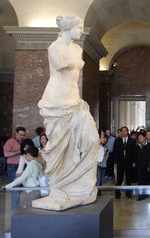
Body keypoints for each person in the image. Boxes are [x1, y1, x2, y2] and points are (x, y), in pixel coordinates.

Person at [33, 15, 100, 210]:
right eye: (78, 27)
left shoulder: (77, 48)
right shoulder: (55, 47)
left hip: (74, 101)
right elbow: (63, 66)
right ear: (68, 27)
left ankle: (81, 187)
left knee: (91, 140)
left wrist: (78, 101)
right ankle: (60, 189)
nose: (81, 31)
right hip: (56, 102)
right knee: (60, 147)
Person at [113, 126, 136, 199]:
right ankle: (117, 194)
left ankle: (128, 193)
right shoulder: (118, 140)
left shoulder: (131, 141)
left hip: (129, 162)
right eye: (122, 131)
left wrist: (133, 161)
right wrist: (116, 162)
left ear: (127, 131)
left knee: (128, 178)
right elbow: (115, 152)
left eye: (125, 130)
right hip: (120, 162)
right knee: (119, 178)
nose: (123, 132)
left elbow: (133, 152)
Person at [135, 131, 150, 200]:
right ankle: (141, 196)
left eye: (141, 137)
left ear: (144, 138)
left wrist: (149, 165)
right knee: (140, 181)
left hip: (147, 166)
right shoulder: (137, 146)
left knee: (147, 181)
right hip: (139, 166)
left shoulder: (149, 145)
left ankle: (146, 194)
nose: (139, 138)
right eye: (138, 137)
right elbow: (135, 156)